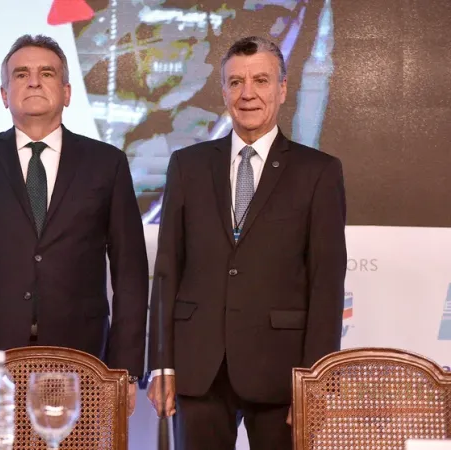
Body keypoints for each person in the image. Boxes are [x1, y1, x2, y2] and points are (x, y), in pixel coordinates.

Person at [0, 34, 149, 422]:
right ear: (4, 94)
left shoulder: (107, 163)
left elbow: (130, 271)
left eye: (46, 73)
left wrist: (126, 369)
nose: (33, 81)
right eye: (21, 74)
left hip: (82, 358)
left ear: (66, 92)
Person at [146, 36, 347, 450]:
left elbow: (326, 283)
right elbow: (167, 270)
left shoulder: (319, 172)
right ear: (223, 91)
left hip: (281, 372)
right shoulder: (188, 166)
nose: (248, 93)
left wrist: (315, 379)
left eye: (260, 80)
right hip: (198, 368)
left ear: (283, 88)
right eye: (236, 82)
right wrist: (161, 363)